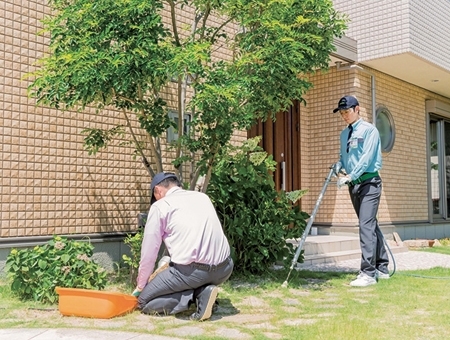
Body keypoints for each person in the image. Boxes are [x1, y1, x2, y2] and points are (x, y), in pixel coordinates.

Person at [132, 172, 233, 321]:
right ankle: (203, 290)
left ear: (158, 191)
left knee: (144, 302)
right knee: (182, 269)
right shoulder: (202, 198)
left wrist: (141, 286)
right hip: (224, 268)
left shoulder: (160, 206)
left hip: (192, 272)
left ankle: (196, 296)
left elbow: (149, 253)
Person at [333, 95, 389, 287]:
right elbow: (344, 156)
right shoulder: (343, 134)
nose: (344, 116)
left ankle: (368, 273)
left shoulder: (369, 131)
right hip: (353, 184)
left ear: (357, 109)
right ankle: (382, 266)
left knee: (365, 225)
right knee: (370, 224)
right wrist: (339, 166)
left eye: (347, 112)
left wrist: (351, 175)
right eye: (341, 113)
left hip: (369, 182)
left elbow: (366, 159)